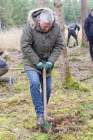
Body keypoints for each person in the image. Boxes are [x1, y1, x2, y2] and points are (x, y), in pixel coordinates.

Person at [20, 8, 64, 130]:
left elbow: (60, 45)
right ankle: (40, 114)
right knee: (34, 83)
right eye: (45, 26)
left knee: (48, 88)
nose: (47, 29)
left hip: (47, 62)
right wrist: (37, 62)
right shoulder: (30, 27)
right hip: (31, 62)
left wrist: (51, 61)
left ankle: (44, 111)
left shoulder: (56, 28)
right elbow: (25, 45)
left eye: (49, 26)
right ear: (39, 21)